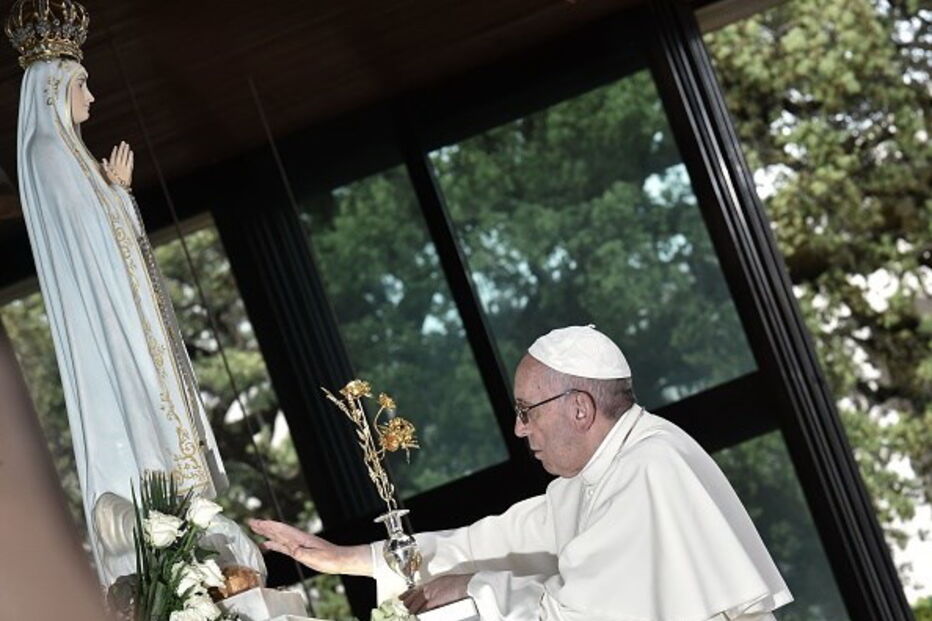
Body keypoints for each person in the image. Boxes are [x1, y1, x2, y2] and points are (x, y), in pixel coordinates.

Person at [250, 325, 793, 620]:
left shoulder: (647, 470)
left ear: (580, 408)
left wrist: (476, 590)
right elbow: (492, 541)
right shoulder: (602, 472)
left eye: (527, 412)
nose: (519, 429)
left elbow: (572, 617)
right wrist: (341, 557)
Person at [9, 5, 227, 585]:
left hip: (120, 315)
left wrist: (117, 196)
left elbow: (108, 242)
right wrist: (119, 196)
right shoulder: (50, 156)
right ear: (55, 88)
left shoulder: (69, 158)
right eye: (83, 85)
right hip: (108, 329)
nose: (93, 98)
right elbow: (96, 247)